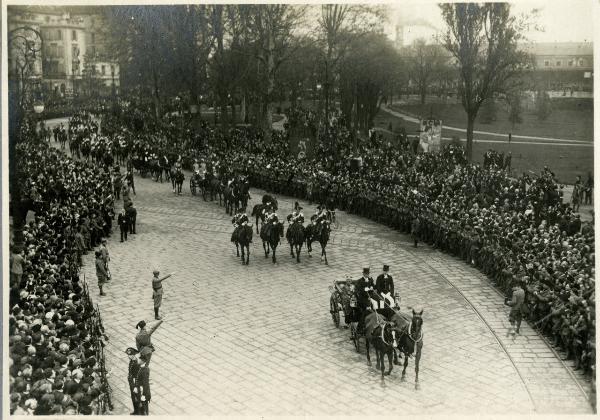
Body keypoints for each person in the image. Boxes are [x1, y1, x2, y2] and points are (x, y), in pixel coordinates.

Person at [355, 266, 375, 331]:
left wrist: (372, 288)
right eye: (366, 274)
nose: (367, 275)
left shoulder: (371, 280)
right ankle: (360, 327)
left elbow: (374, 287)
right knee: (366, 310)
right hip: (362, 299)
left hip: (370, 298)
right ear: (363, 274)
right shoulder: (359, 281)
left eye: (368, 274)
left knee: (376, 304)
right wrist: (364, 289)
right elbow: (358, 290)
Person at [125, 347, 140, 415]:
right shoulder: (132, 361)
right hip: (131, 382)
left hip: (134, 383)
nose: (129, 356)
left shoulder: (136, 364)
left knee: (135, 398)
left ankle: (137, 412)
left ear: (133, 355)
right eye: (128, 355)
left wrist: (135, 386)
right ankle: (136, 411)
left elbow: (137, 376)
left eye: (130, 355)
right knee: (133, 397)